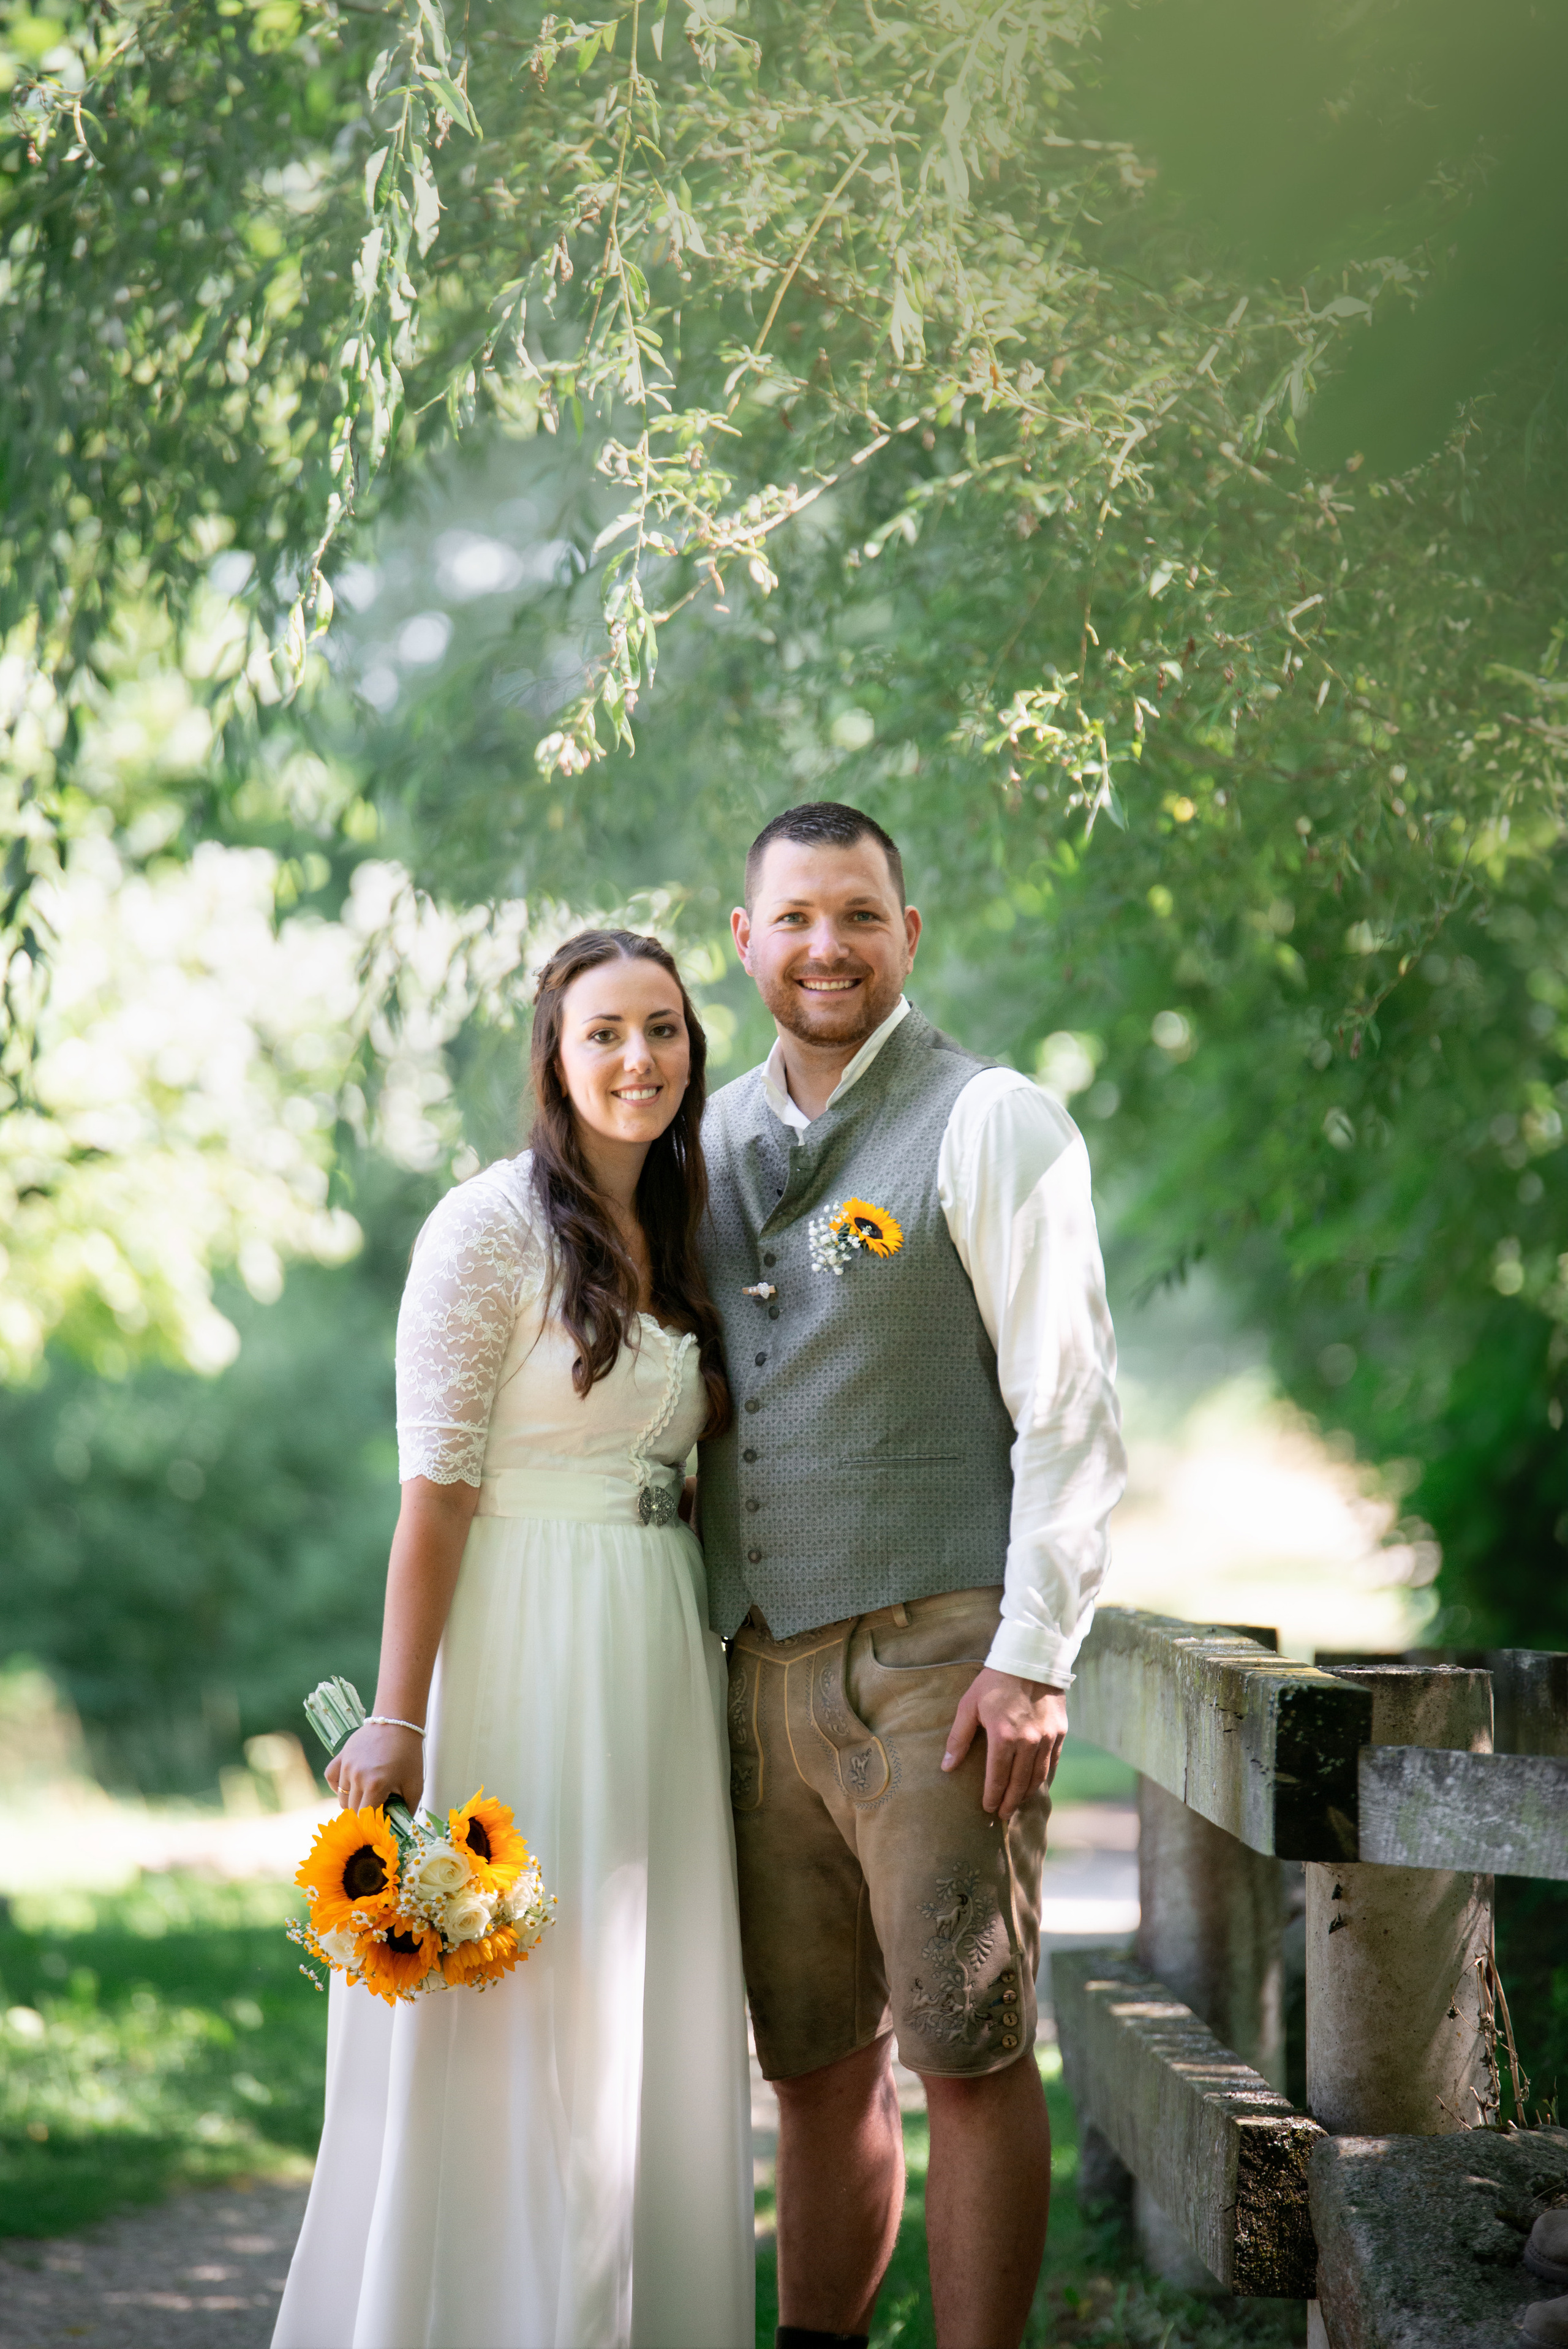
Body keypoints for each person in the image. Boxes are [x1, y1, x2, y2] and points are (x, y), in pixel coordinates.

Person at [273, 930, 753, 2349]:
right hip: (519, 1642)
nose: (637, 1059)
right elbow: (434, 1495)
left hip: (656, 1653)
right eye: (603, 1031)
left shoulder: (687, 1233)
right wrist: (400, 1715)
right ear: (553, 1052)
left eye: (662, 1030)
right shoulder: (486, 1226)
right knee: (508, 2006)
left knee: (634, 2009)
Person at [698, 802, 1127, 2349]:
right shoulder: (692, 1140)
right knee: (812, 2065)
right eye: (795, 917)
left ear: (908, 935)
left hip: (938, 1663)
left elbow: (1069, 1408)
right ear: (741, 940)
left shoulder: (989, 1118)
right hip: (753, 1673)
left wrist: (1032, 1653)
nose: (827, 947)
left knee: (965, 2048)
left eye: (859, 916)